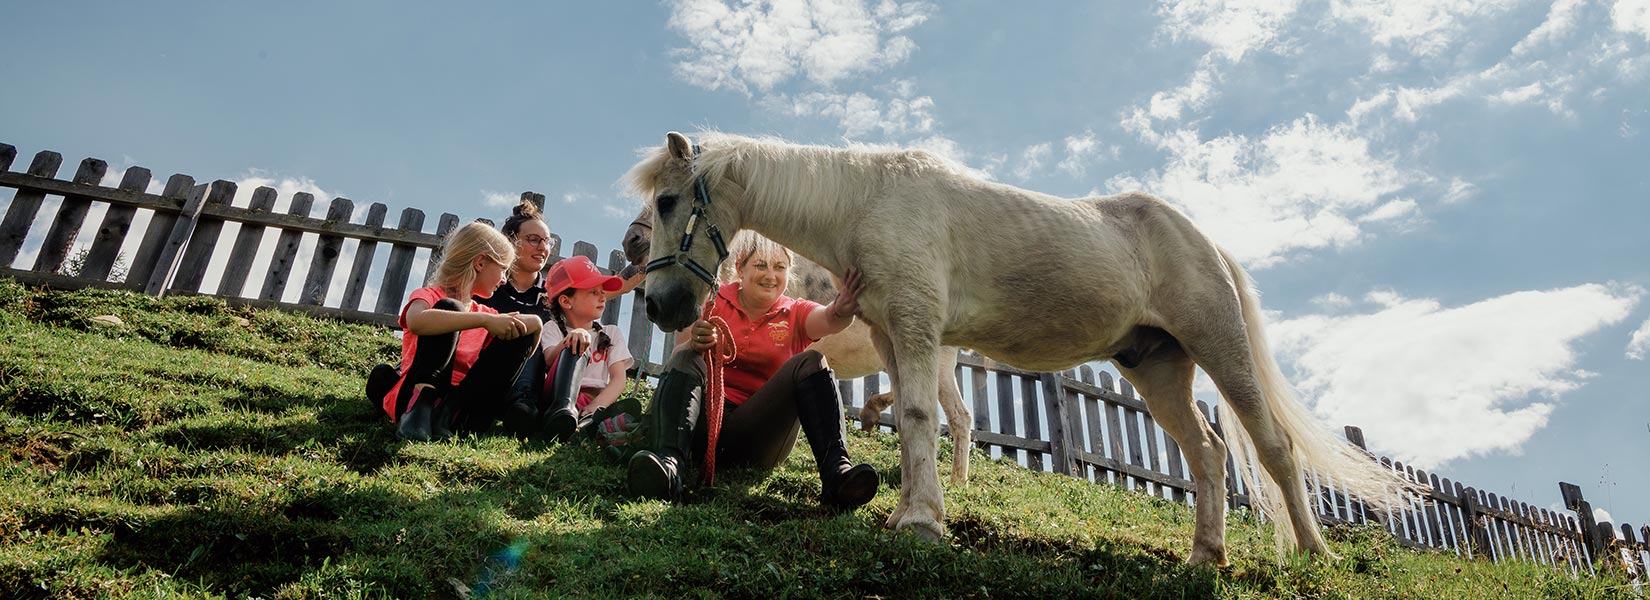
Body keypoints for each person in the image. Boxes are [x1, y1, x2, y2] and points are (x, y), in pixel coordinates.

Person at [626, 234, 878, 509]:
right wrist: (694, 344)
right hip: (700, 425)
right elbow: (677, 359)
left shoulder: (795, 312)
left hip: (759, 437)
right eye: (761, 266)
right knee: (687, 355)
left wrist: (842, 309)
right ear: (740, 269)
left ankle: (837, 474)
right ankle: (669, 465)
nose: (771, 275)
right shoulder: (713, 299)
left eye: (779, 267)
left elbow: (830, 320)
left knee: (813, 361)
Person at [365, 222, 543, 441]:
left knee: (518, 330)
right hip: (414, 402)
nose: (504, 279)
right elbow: (416, 321)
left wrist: (535, 322)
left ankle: (455, 414)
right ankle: (419, 409)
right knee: (450, 307)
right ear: (480, 262)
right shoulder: (429, 295)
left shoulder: (486, 312)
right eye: (503, 269)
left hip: (460, 410)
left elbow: (529, 331)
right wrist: (484, 320)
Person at [534, 255, 633, 440]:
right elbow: (548, 359)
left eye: (602, 291)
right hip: (557, 397)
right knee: (575, 344)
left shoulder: (611, 332)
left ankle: (593, 422)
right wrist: (570, 339)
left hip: (595, 402)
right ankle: (565, 418)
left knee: (621, 416)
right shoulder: (552, 327)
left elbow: (619, 379)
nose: (603, 296)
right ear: (566, 301)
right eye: (593, 292)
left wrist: (596, 406)